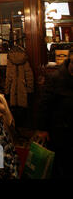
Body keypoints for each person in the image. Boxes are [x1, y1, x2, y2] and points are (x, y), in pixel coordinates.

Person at [35, 50, 73, 178]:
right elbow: (44, 104)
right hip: (59, 130)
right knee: (59, 164)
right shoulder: (56, 77)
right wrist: (42, 129)